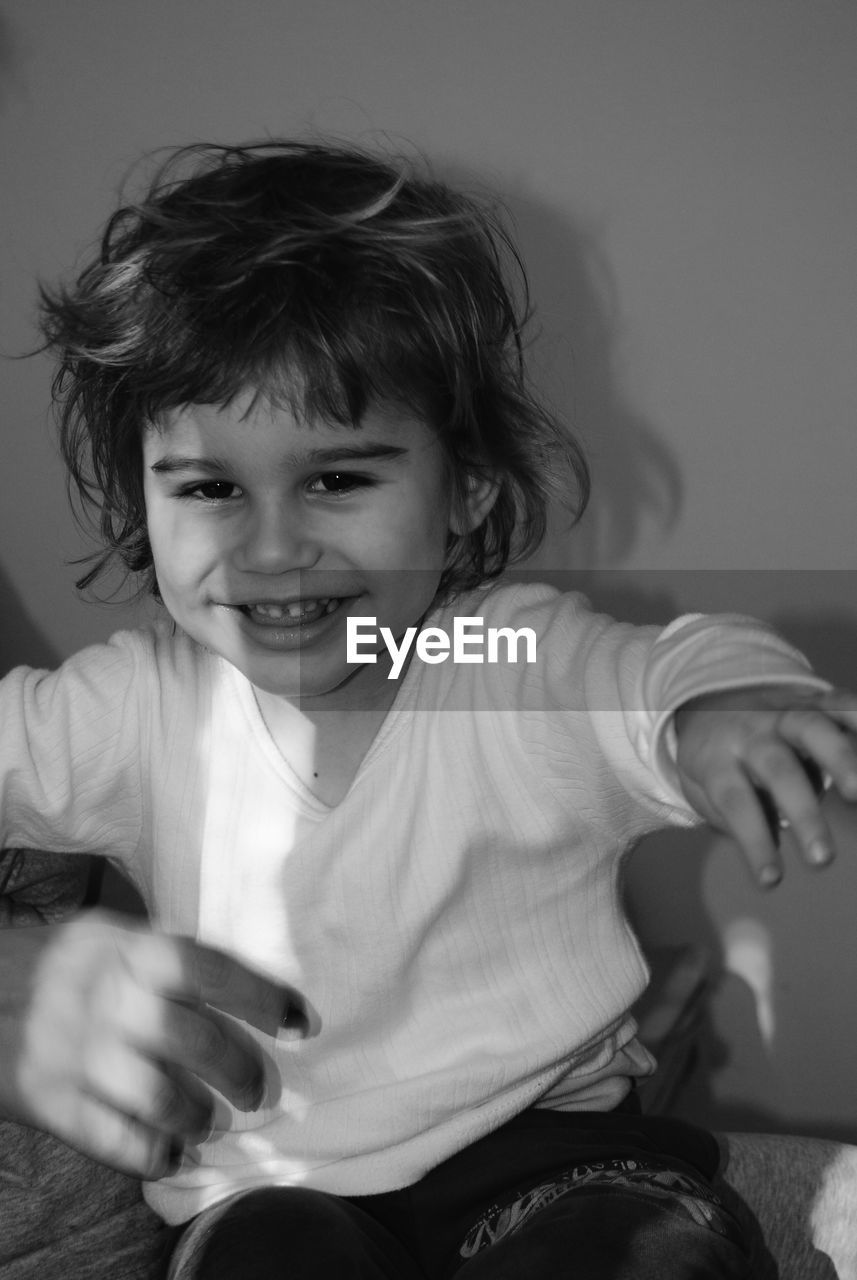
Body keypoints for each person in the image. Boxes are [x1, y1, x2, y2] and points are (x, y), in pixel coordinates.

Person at [1, 139, 855, 1279]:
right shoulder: (132, 704)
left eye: (337, 478)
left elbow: (652, 673)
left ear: (465, 492)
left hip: (551, 1148)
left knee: (642, 1252)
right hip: (264, 1187)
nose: (271, 546)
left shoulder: (496, 655)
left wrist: (718, 709)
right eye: (208, 488)